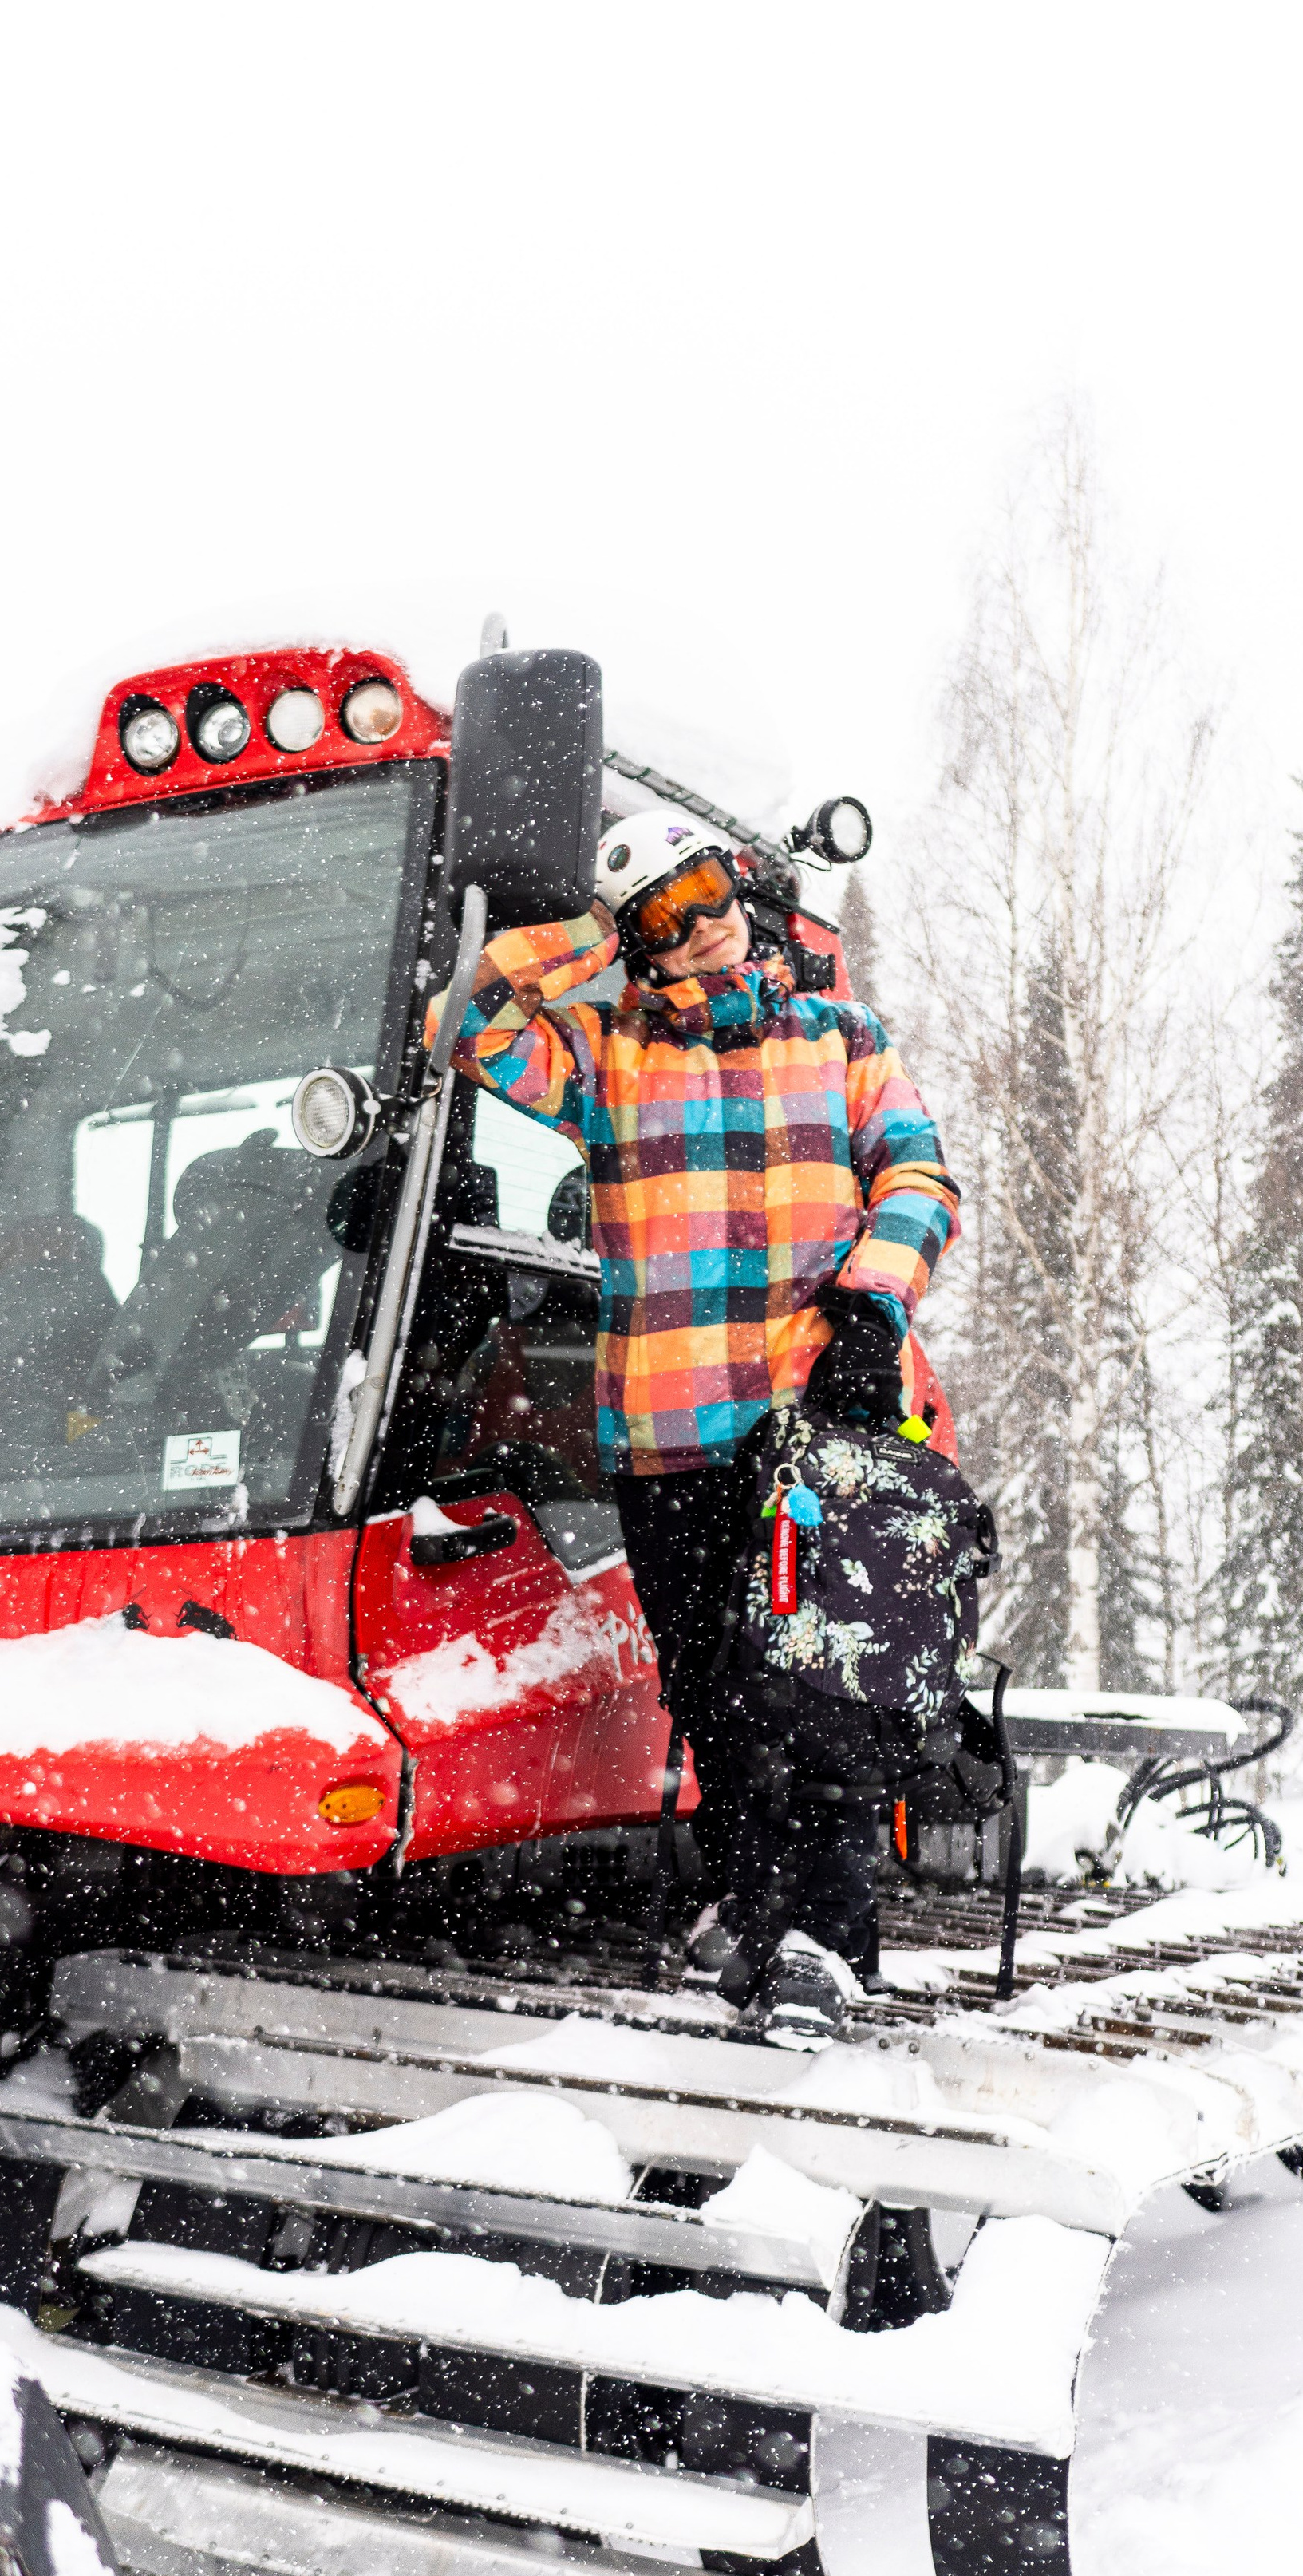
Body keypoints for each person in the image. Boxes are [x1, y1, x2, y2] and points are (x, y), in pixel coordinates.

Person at [434, 811, 959, 2015]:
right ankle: (752, 1916)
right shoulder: (606, 1062)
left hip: (812, 1439)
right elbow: (466, 1016)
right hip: (668, 1439)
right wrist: (589, 929)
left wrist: (875, 1310)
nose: (705, 925)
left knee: (820, 1685)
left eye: (711, 890)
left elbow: (920, 1173)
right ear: (639, 946)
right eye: (665, 918)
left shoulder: (842, 1037)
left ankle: (826, 1946)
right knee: (718, 1705)